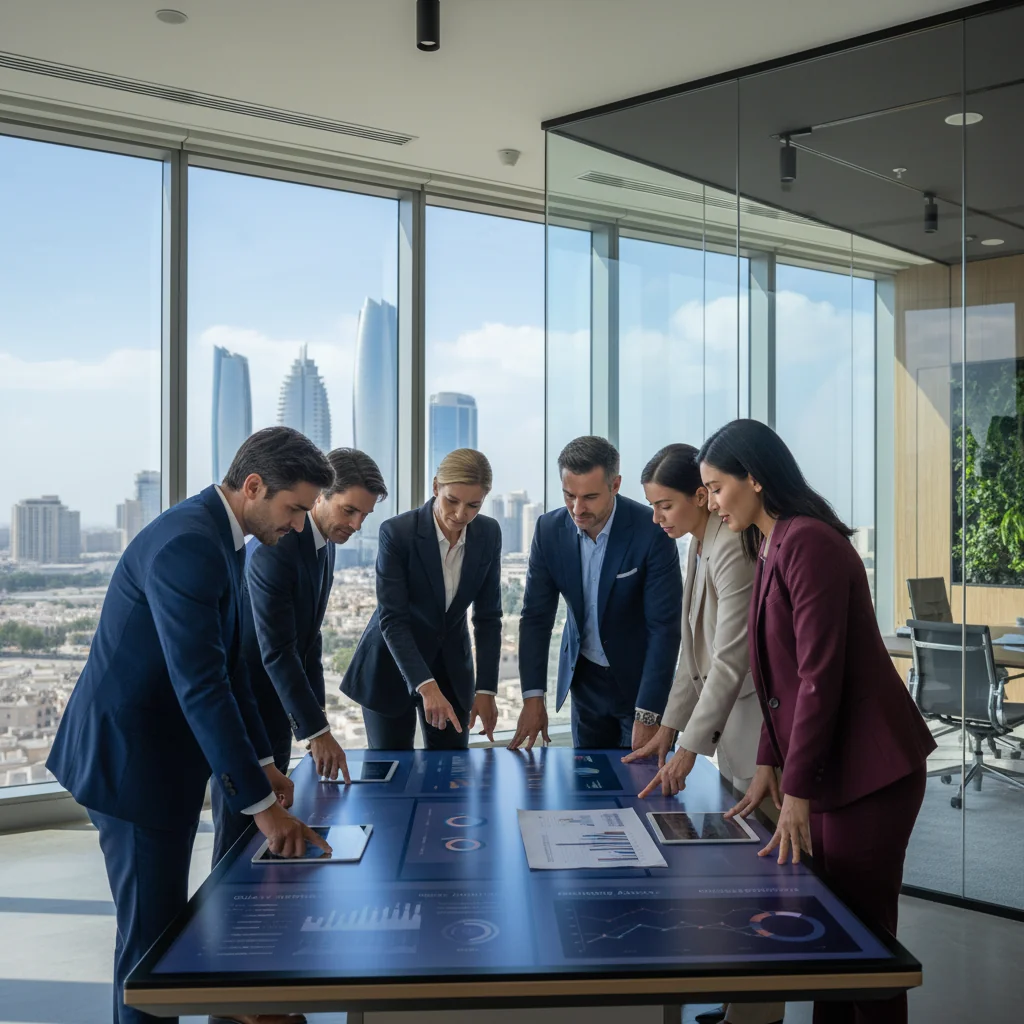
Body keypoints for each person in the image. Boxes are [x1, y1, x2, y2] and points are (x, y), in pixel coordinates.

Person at [46, 427, 337, 1024]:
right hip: (131, 765)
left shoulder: (221, 533)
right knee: (151, 950)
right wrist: (261, 806)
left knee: (164, 938)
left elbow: (231, 669)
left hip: (159, 759)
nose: (301, 525)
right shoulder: (191, 544)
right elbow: (201, 687)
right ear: (254, 486)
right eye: (296, 508)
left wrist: (261, 764)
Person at [699, 419, 936, 1024]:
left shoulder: (808, 542)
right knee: (831, 939)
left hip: (870, 771)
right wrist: (767, 765)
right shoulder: (769, 541)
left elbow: (818, 677)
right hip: (832, 768)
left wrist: (796, 788)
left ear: (754, 478)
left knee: (865, 944)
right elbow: (776, 682)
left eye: (717, 487)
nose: (712, 501)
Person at [625, 443, 783, 1024]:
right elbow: (692, 658)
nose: (657, 517)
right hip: (732, 730)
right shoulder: (698, 544)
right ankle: (739, 1005)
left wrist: (688, 746)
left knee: (769, 883)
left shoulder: (732, 550)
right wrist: (666, 728)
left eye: (665, 504)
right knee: (750, 875)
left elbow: (730, 659)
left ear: (700, 495)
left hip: (756, 731)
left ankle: (759, 1017)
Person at [211, 448, 388, 867]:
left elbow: (310, 643)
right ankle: (225, 925)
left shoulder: (323, 546)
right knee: (239, 841)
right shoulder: (277, 549)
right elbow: (277, 650)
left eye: (364, 516)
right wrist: (316, 731)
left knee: (267, 838)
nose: (356, 525)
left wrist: (317, 724)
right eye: (349, 511)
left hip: (278, 710)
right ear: (321, 496)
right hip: (248, 710)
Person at [509, 435, 682, 751]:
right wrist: (533, 696)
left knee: (644, 787)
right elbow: (535, 618)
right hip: (584, 682)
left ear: (615, 485)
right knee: (588, 785)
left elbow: (665, 630)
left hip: (640, 685)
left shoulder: (652, 530)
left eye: (589, 496)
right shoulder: (549, 530)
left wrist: (648, 714)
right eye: (568, 495)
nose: (578, 508)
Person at [342, 448, 502, 749]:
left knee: (452, 773)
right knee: (393, 772)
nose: (460, 514)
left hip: (452, 669)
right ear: (435, 487)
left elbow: (489, 617)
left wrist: (487, 689)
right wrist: (426, 686)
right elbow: (393, 619)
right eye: (451, 500)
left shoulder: (489, 534)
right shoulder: (398, 532)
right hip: (391, 664)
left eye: (473, 505)